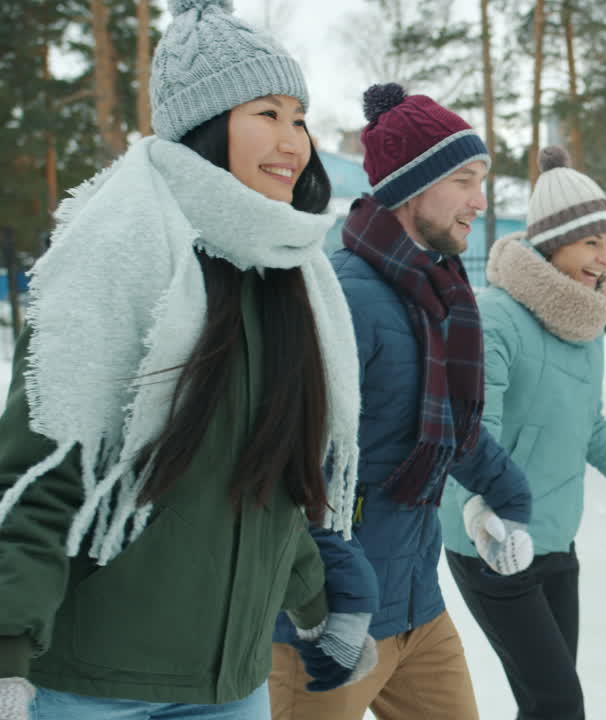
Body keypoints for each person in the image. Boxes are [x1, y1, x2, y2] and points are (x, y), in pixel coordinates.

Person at [0, 0, 375, 718]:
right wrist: (6, 645)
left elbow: (265, 481)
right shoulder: (118, 257)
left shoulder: (287, 273)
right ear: (205, 124)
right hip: (91, 683)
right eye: (267, 113)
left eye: (299, 118)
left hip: (230, 684)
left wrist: (318, 602)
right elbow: (41, 470)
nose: (293, 141)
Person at [268, 83, 534, 720]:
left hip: (418, 608)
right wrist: (330, 601)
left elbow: (445, 426)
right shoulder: (346, 299)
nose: (480, 201)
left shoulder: (437, 292)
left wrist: (507, 496)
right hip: (333, 621)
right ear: (413, 188)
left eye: (481, 182)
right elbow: (289, 468)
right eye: (464, 181)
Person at [437, 146, 606, 719]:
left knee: (549, 705)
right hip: (491, 540)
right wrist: (483, 513)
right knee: (558, 704)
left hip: (556, 539)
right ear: (551, 241)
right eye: (591, 242)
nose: (604, 258)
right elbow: (470, 430)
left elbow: (590, 429)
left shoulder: (584, 325)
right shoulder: (494, 317)